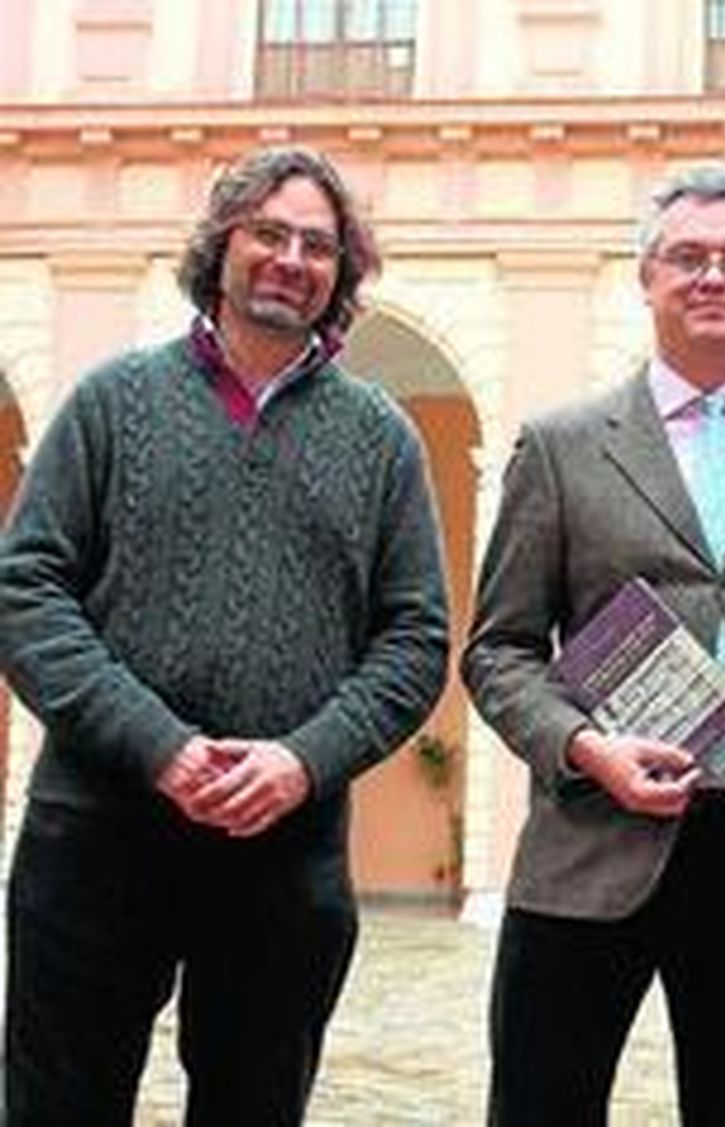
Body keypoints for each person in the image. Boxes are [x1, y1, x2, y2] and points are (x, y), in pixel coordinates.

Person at [0, 146, 449, 1123]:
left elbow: (415, 638)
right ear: (221, 247)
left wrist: (301, 759)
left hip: (283, 849)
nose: (292, 257)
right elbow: (26, 589)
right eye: (269, 233)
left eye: (318, 244)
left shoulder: (381, 439)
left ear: (342, 271)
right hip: (97, 831)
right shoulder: (113, 401)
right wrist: (159, 745)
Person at [462, 162, 725, 1126]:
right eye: (688, 256)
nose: (713, 277)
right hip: (591, 837)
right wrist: (585, 748)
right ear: (646, 277)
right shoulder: (561, 443)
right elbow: (499, 648)